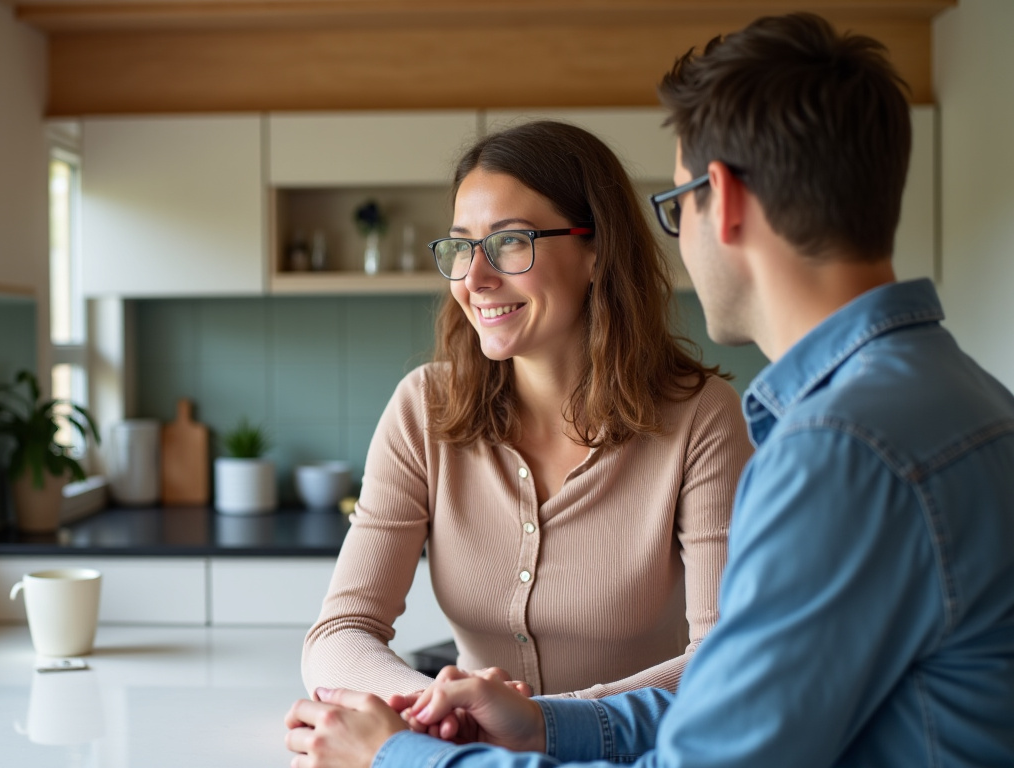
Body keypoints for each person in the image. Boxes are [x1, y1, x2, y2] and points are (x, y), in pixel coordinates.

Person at [284, 12, 1014, 768]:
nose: (475, 276)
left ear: (720, 198)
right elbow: (738, 703)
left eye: (678, 203)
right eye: (462, 249)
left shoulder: (841, 453)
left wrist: (403, 758)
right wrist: (540, 725)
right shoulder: (962, 401)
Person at [301, 119, 753, 702]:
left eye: (511, 241)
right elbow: (340, 633)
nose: (476, 278)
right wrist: (442, 712)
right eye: (461, 245)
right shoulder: (424, 408)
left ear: (596, 252)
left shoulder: (703, 419)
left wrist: (536, 725)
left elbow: (730, 660)